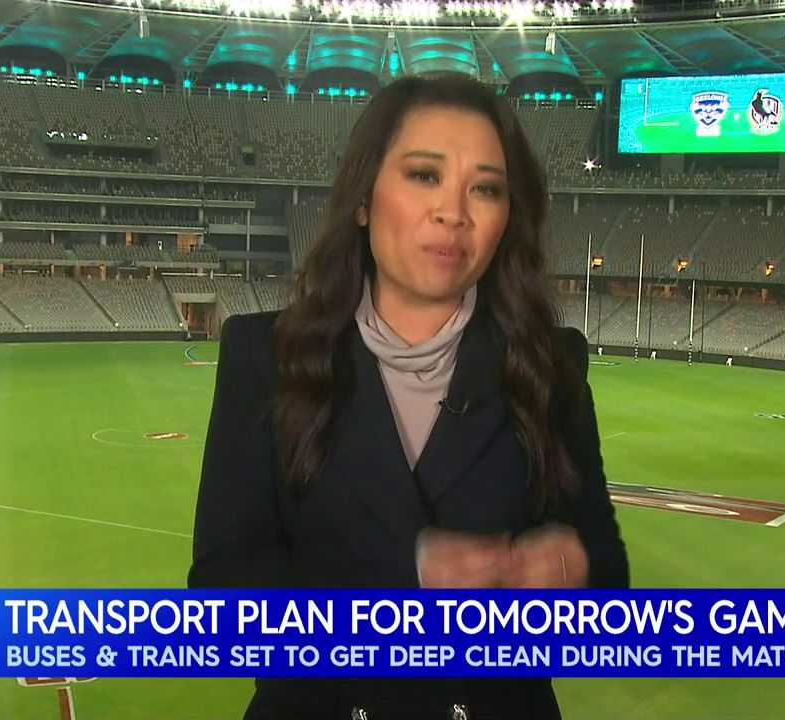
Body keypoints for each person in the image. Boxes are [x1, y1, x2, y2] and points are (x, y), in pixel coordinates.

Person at [187, 74, 630, 720]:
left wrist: (569, 573)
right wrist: (410, 584)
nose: (454, 211)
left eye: (485, 188)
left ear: (507, 218)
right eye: (425, 175)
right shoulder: (265, 357)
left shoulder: (550, 367)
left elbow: (607, 585)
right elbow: (221, 595)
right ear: (364, 199)